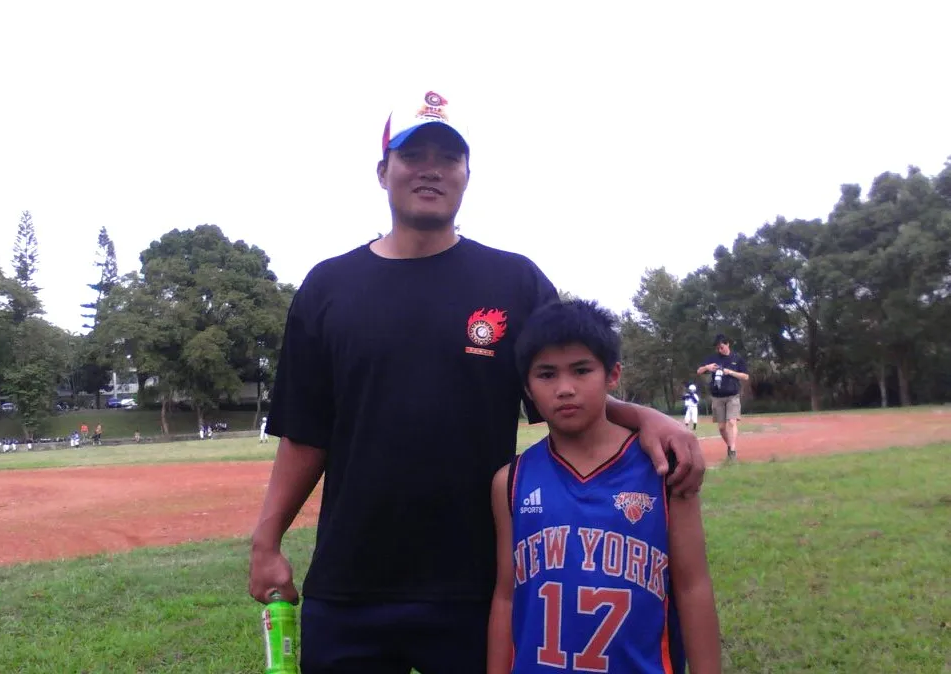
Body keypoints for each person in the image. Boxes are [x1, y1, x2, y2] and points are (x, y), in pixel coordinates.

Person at [248, 88, 706, 673]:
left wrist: (646, 418)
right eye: (413, 155)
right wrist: (267, 541)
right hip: (351, 585)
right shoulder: (328, 288)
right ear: (383, 171)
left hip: (478, 587)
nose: (432, 169)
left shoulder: (513, 281)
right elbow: (305, 435)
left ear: (467, 174)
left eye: (449, 156)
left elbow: (567, 384)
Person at [487, 298, 722, 674]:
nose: (565, 388)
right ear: (527, 389)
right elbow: (506, 597)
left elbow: (692, 587)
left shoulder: (663, 468)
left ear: (612, 375)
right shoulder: (511, 481)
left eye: (581, 370)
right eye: (546, 375)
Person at [696, 333, 749, 460]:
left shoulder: (737, 358)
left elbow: (745, 376)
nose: (720, 350)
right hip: (717, 396)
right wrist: (707, 367)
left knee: (731, 422)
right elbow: (699, 371)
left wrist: (730, 372)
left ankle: (732, 451)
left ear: (727, 344)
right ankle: (730, 446)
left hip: (732, 395)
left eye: (722, 347)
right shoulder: (713, 358)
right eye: (717, 348)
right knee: (721, 428)